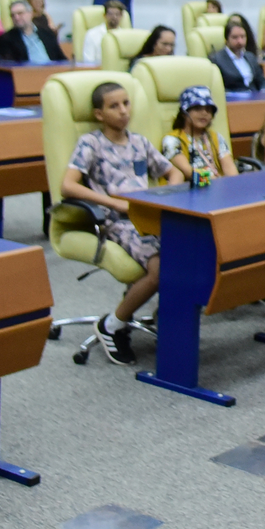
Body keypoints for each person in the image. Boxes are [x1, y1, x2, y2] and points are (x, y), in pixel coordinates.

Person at [61, 81, 186, 371]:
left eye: (126, 103)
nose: (123, 111)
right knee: (160, 268)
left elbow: (174, 172)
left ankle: (165, 318)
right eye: (114, 106)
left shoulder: (139, 142)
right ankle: (110, 325)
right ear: (99, 114)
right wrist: (113, 203)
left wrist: (163, 195)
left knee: (190, 252)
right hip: (116, 222)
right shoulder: (91, 143)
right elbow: (68, 185)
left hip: (148, 217)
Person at [162, 86, 237, 186]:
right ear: (184, 113)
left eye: (208, 109)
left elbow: (231, 171)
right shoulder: (172, 140)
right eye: (198, 109)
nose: (204, 113)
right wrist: (216, 183)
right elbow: (188, 172)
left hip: (218, 187)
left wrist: (233, 186)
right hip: (190, 190)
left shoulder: (216, 137)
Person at [0, 0, 66, 62]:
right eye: (13, 15)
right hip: (27, 70)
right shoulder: (6, 39)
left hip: (52, 69)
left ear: (31, 13)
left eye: (20, 13)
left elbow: (62, 59)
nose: (16, 18)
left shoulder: (47, 33)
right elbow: (11, 65)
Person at [212, 17, 265, 93]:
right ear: (226, 40)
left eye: (242, 37)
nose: (240, 41)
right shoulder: (216, 59)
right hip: (233, 98)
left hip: (255, 97)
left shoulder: (250, 57)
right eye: (235, 37)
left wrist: (264, 91)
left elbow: (262, 81)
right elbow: (218, 88)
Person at [80, 0, 127, 64]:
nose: (114, 17)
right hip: (98, 69)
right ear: (104, 15)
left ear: (121, 16)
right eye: (110, 14)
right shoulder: (92, 34)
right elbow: (88, 61)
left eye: (117, 14)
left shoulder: (125, 37)